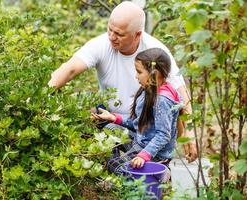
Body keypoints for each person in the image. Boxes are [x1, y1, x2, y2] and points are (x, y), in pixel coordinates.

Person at [48, 1, 197, 162]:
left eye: (119, 34)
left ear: (137, 34)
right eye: (109, 29)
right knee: (93, 125)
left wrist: (189, 134)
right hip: (117, 117)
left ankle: (159, 163)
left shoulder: (155, 52)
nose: (112, 37)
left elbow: (181, 92)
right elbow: (69, 69)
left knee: (170, 109)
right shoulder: (101, 43)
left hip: (149, 127)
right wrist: (43, 95)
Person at [92, 48, 180, 175]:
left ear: (154, 74)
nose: (136, 76)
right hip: (140, 140)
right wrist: (114, 117)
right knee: (108, 128)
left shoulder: (162, 100)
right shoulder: (148, 89)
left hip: (154, 153)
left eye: (139, 72)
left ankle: (158, 172)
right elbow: (137, 121)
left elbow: (163, 135)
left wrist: (144, 155)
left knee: (114, 165)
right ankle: (125, 166)